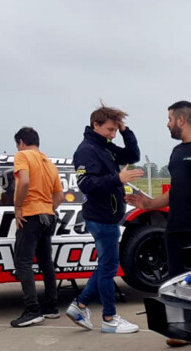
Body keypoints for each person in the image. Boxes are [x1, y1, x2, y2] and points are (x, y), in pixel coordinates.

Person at [125, 101, 191, 347]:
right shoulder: (177, 152)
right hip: (174, 227)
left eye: (170, 119)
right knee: (176, 281)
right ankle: (184, 331)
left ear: (181, 120)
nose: (168, 124)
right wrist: (149, 204)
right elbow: (176, 190)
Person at [66, 103, 144, 333]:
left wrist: (125, 132)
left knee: (106, 265)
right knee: (109, 268)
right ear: (95, 125)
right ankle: (109, 318)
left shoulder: (104, 146)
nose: (113, 134)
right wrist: (118, 179)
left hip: (108, 216)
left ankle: (79, 306)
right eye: (110, 129)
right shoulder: (87, 150)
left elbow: (133, 155)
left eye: (115, 130)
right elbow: (86, 183)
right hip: (100, 217)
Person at [10, 127, 64, 328]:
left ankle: (32, 310)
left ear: (21, 142)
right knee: (46, 262)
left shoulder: (22, 156)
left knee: (23, 262)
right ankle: (51, 306)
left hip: (30, 214)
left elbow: (24, 181)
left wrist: (18, 207)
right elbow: (59, 195)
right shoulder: (48, 162)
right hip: (48, 215)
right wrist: (48, 209)